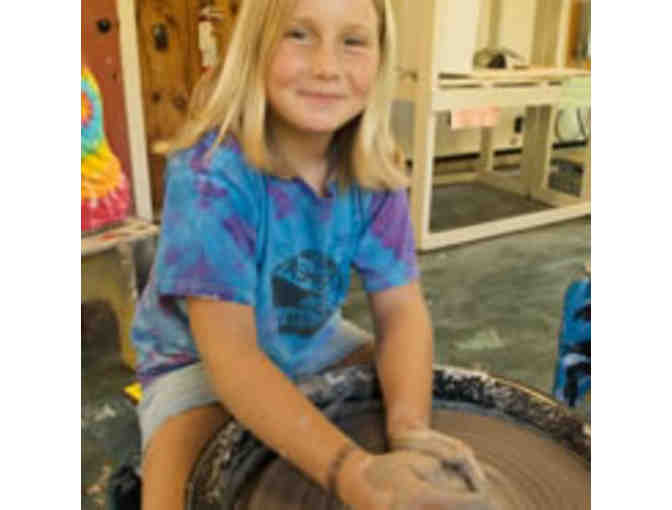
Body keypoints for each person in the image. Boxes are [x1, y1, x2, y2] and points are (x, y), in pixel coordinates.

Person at [132, 1, 495, 509]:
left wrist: (408, 427)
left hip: (312, 338)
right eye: (299, 34)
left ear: (381, 58)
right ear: (254, 47)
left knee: (436, 405)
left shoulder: (374, 169)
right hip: (197, 363)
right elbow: (233, 357)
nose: (326, 67)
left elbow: (401, 310)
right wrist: (353, 473)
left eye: (353, 41)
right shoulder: (211, 175)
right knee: (174, 497)